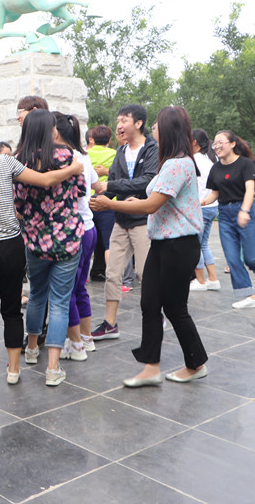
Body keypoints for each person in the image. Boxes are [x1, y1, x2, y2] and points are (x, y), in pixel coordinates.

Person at [0, 121, 83, 389]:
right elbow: (45, 180)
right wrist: (73, 168)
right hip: (10, 247)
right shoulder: (4, 161)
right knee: (11, 310)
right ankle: (13, 369)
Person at [91, 106, 209, 386]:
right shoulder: (169, 162)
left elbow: (153, 204)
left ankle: (196, 364)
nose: (153, 128)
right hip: (162, 242)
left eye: (157, 124)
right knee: (150, 303)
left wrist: (112, 204)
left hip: (179, 245)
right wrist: (137, 201)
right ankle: (150, 367)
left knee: (175, 308)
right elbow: (155, 198)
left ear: (168, 129)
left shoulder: (178, 163)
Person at [14, 110, 85, 386]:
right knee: (59, 302)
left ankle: (32, 349)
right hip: (67, 239)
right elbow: (80, 191)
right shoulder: (67, 157)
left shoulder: (20, 161)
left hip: (35, 240)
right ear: (51, 130)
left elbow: (18, 203)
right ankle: (53, 369)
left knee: (36, 295)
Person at [91, 104, 158, 342]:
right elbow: (113, 185)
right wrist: (96, 200)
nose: (119, 125)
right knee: (112, 273)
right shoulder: (120, 151)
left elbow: (147, 181)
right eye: (118, 121)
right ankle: (110, 324)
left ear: (138, 123)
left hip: (143, 221)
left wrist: (110, 186)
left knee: (145, 274)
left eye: (124, 120)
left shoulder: (152, 149)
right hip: (121, 221)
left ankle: (154, 319)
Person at [202, 130, 255, 308]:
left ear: (233, 144)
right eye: (215, 144)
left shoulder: (245, 164)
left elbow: (250, 189)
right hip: (224, 214)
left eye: (221, 143)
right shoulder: (216, 168)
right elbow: (215, 193)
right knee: (232, 258)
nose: (217, 146)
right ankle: (248, 296)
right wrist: (201, 202)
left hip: (245, 210)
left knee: (252, 258)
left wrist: (244, 210)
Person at [52, 112, 101, 362]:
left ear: (55, 132)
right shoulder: (83, 156)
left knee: (65, 291)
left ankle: (76, 345)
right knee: (79, 287)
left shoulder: (63, 159)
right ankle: (87, 338)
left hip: (74, 232)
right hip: (89, 227)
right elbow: (96, 186)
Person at [189, 128, 221, 291]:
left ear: (194, 142)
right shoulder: (213, 158)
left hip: (199, 207)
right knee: (204, 245)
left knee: (195, 246)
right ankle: (213, 279)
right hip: (213, 206)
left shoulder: (193, 160)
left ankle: (200, 281)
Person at [86, 125, 116, 284]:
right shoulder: (114, 154)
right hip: (108, 202)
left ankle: (83, 276)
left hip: (88, 202)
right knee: (109, 244)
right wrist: (106, 172)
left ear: (92, 139)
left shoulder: (86, 154)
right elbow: (121, 174)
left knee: (88, 241)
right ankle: (112, 279)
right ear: (109, 140)